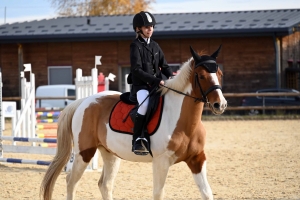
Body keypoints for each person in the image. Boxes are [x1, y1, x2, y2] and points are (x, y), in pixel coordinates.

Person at [129, 11, 173, 155]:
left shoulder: (155, 46)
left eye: (152, 26)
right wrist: (156, 80)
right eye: (147, 27)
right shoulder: (135, 46)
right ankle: (138, 139)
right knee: (145, 105)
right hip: (141, 86)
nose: (150, 29)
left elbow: (164, 66)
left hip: (156, 85)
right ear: (138, 29)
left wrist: (172, 77)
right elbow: (136, 70)